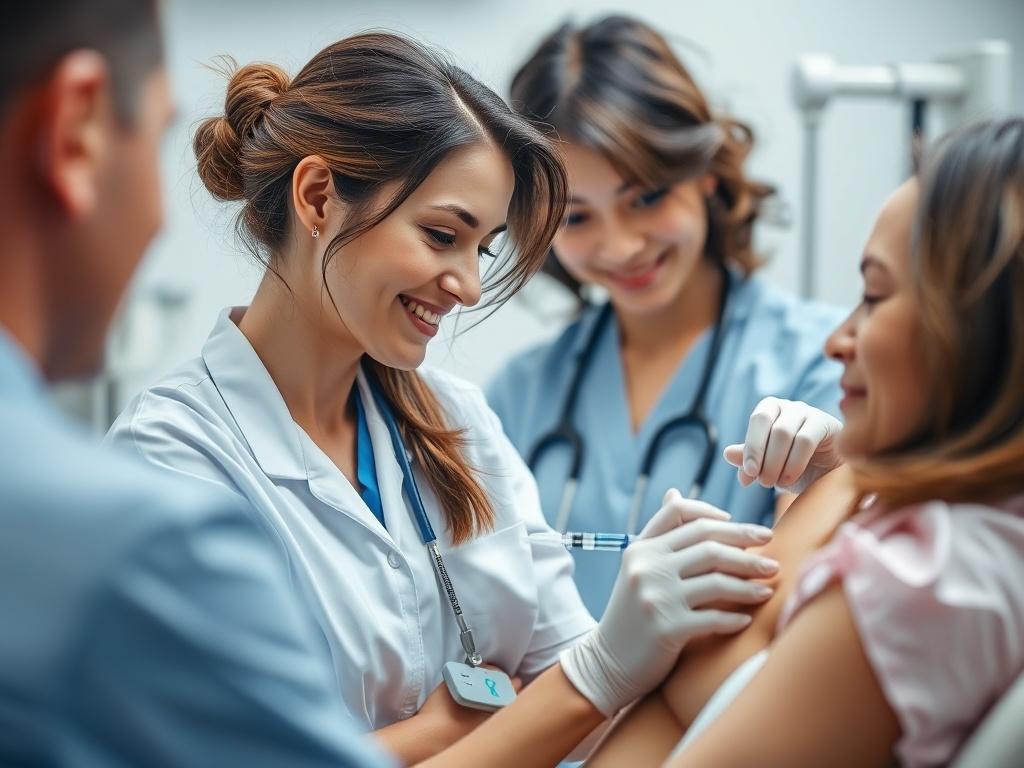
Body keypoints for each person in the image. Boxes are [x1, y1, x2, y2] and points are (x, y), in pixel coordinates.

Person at [106, 32, 800, 765]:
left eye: (483, 248)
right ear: (317, 197)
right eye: (443, 235)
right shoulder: (172, 462)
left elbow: (588, 712)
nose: (467, 285)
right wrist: (469, 721)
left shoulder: (457, 420)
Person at [0, 2, 391, 766]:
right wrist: (605, 685)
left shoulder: (445, 416)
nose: (469, 286)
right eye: (150, 136)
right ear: (74, 130)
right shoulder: (140, 540)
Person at [584, 117, 1024, 767]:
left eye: (874, 295)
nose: (837, 341)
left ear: (990, 328)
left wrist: (595, 675)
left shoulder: (926, 576)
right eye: (574, 217)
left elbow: (698, 689)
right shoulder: (875, 489)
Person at [488, 15, 846, 618]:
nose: (623, 245)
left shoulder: (824, 360)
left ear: (704, 172)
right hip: (546, 711)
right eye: (577, 218)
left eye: (647, 198)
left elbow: (793, 624)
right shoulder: (518, 396)